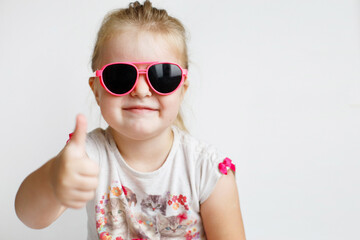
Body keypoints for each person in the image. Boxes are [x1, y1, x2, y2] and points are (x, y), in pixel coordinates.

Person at [15, 1, 246, 239]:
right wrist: (54, 181)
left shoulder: (206, 171)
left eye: (162, 75)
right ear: (97, 91)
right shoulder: (88, 155)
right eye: (121, 76)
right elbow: (28, 215)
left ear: (182, 90)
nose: (141, 90)